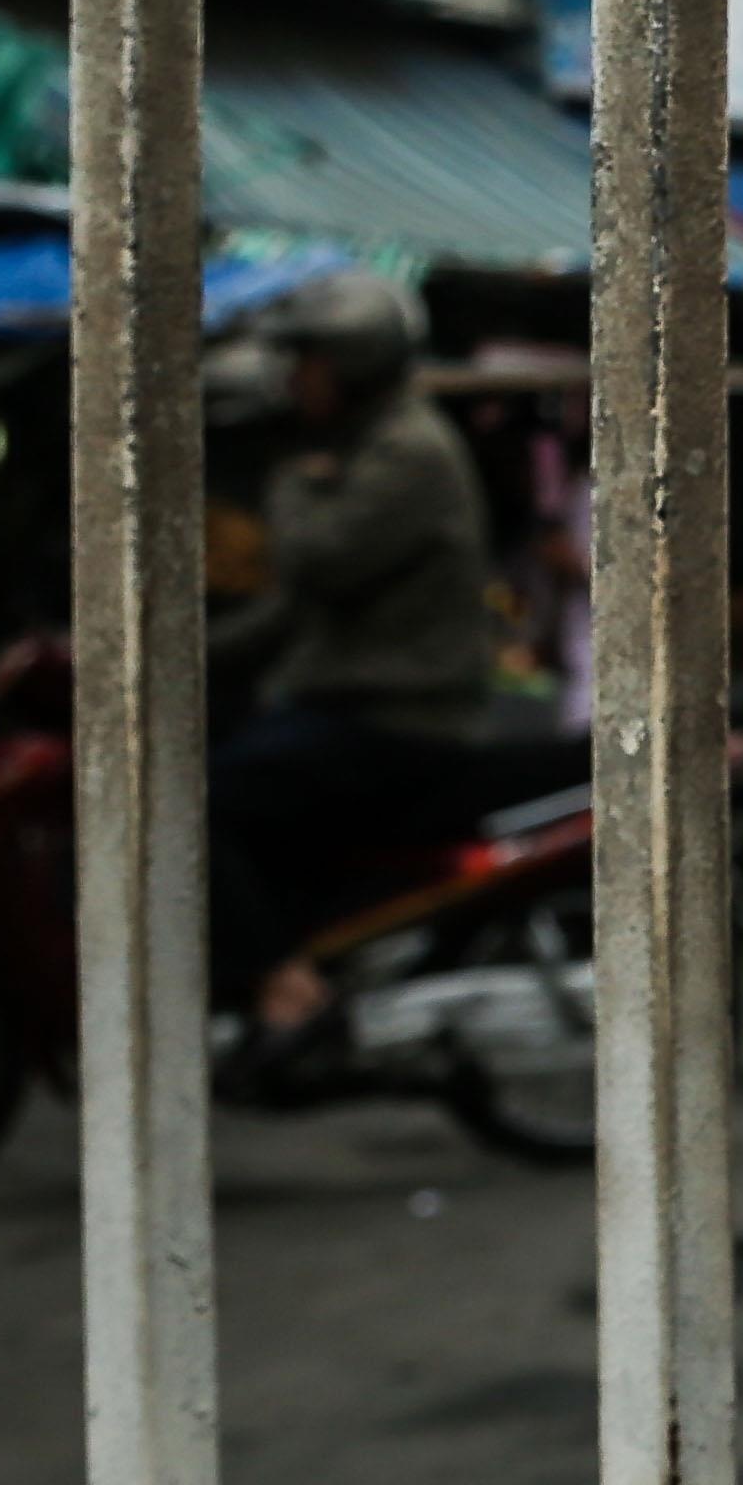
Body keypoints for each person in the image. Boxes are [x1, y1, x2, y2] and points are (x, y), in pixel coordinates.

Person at [207, 269, 513, 1037]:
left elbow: (317, 560)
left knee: (193, 805)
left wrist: (288, 474)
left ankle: (282, 980)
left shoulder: (406, 451)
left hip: (398, 723)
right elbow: (290, 614)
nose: (291, 380)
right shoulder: (360, 449)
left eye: (305, 362)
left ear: (351, 363)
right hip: (342, 709)